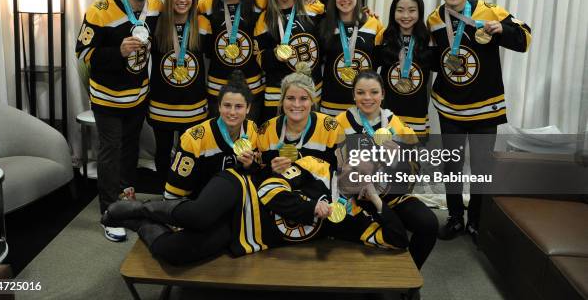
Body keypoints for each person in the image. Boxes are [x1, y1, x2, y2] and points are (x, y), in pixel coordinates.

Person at [102, 70, 409, 265]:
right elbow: (269, 185)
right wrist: (313, 204)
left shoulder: (354, 216)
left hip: (249, 228)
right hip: (243, 190)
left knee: (177, 253)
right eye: (291, 98)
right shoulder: (317, 168)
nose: (298, 105)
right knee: (197, 215)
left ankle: (140, 223)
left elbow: (397, 239)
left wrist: (376, 199)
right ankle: (140, 207)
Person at [427, 0, 531, 242]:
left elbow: (525, 39)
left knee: (483, 167)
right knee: (452, 164)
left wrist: (501, 30)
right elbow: (438, 60)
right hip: (450, 106)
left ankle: (476, 219)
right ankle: (454, 217)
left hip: (486, 105)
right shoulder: (435, 19)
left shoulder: (490, 10)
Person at [75, 0, 163, 242]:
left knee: (130, 150)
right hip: (107, 98)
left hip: (137, 96)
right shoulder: (100, 10)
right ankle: (108, 213)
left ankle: (125, 200)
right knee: (110, 152)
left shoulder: (156, 6)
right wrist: (117, 52)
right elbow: (83, 53)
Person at [335, 70, 438, 271]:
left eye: (373, 92)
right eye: (360, 92)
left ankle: (409, 278)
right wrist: (345, 167)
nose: (367, 98)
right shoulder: (338, 123)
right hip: (353, 198)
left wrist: (399, 158)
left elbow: (416, 168)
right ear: (353, 95)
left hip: (391, 196)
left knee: (428, 224)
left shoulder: (396, 123)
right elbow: (326, 165)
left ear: (383, 94)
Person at [147, 0, 208, 188]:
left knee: (189, 155)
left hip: (193, 107)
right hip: (161, 106)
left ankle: (184, 194)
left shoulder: (202, 24)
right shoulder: (156, 24)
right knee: (162, 154)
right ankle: (164, 194)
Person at [163, 70, 259, 200]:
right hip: (198, 205)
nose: (232, 112)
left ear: (248, 108)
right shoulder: (193, 139)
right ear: (219, 106)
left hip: (234, 202)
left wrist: (249, 166)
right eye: (227, 105)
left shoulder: (252, 130)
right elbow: (174, 191)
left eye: (239, 107)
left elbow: (254, 175)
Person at [197, 0, 266, 121]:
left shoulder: (260, 0)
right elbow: (181, 9)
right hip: (217, 87)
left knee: (248, 140)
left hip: (252, 87)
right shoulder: (207, 1)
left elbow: (287, 1)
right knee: (220, 139)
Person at [254, 0, 325, 120]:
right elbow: (259, 59)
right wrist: (274, 55)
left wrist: (364, 14)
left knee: (310, 143)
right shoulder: (265, 18)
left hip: (310, 93)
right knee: (276, 142)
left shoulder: (314, 8)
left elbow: (330, 42)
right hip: (277, 95)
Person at [374, 0, 437, 137]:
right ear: (393, 12)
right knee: (385, 157)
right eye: (400, 10)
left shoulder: (429, 39)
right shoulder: (383, 37)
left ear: (419, 12)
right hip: (387, 113)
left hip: (417, 113)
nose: (406, 16)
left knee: (411, 159)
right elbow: (370, 71)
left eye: (412, 10)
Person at [319, 0, 385, 116]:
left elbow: (380, 61)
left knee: (360, 139)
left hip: (364, 103)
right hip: (331, 103)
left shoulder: (374, 24)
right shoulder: (325, 25)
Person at [257, 62, 338, 175]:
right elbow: (258, 174)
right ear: (282, 100)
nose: (296, 104)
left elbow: (343, 171)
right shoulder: (266, 131)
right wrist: (271, 170)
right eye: (290, 98)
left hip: (318, 190)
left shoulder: (331, 128)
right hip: (281, 189)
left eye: (303, 98)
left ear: (312, 101)